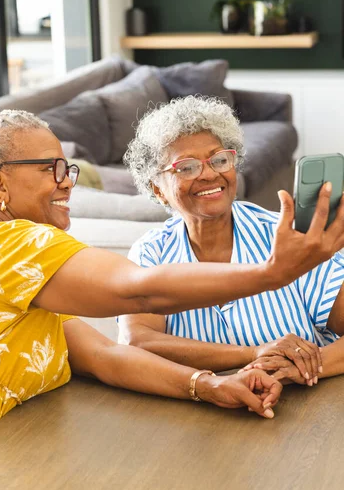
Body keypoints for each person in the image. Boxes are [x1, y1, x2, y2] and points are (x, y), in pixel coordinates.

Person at [0, 110, 343, 466]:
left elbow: (104, 355)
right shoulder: (7, 244)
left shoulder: (23, 278)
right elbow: (138, 292)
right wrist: (272, 273)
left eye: (68, 170)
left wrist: (211, 385)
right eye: (51, 169)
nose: (67, 183)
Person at [120, 95, 344, 387]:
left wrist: (305, 368)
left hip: (306, 406)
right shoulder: (151, 253)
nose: (210, 174)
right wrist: (251, 354)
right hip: (199, 413)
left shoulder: (287, 236)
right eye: (186, 167)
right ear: (158, 189)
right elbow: (138, 342)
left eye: (220, 159)